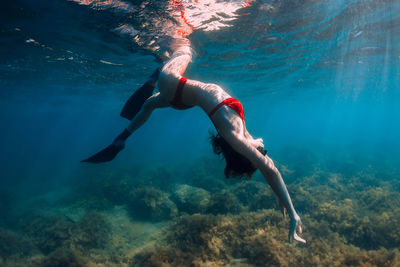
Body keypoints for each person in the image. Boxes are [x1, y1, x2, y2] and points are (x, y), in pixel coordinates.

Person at [82, 45, 306, 243]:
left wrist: (294, 213)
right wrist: (281, 199)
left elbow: (270, 169)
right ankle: (121, 138)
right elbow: (267, 165)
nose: (263, 151)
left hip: (172, 84)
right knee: (149, 105)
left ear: (245, 155)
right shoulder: (245, 138)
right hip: (182, 98)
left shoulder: (235, 136)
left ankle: (157, 72)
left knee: (185, 47)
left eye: (259, 155)